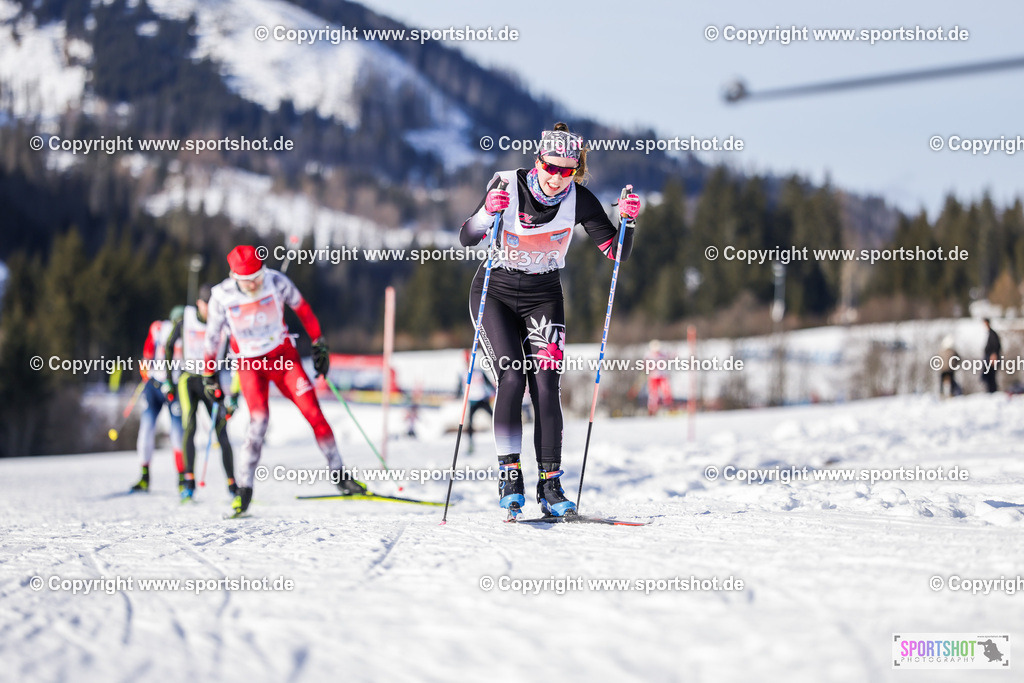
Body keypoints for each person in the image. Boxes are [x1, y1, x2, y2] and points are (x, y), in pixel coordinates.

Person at [459, 123, 639, 518]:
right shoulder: (506, 184)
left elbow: (616, 253)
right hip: (496, 293)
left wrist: (627, 222)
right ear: (537, 161)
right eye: (550, 167)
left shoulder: (581, 200)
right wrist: (488, 212)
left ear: (576, 169)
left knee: (546, 385)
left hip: (544, 296)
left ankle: (551, 485)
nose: (557, 178)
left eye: (567, 170)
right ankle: (509, 476)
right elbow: (467, 236)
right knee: (512, 376)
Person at [202, 245, 366, 516]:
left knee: (314, 412)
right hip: (249, 364)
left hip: (283, 358)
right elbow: (212, 337)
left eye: (259, 276)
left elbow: (303, 309)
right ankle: (244, 489)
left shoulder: (276, 281)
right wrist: (209, 374)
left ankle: (340, 476)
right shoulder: (221, 297)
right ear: (234, 277)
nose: (256, 283)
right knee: (259, 422)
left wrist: (319, 343)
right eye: (248, 280)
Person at [164, 284, 238, 501]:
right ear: (199, 303)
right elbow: (169, 347)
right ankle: (188, 483)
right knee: (190, 428)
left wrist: (234, 394)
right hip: (188, 380)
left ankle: (233, 485)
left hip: (212, 380)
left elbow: (236, 356)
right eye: (206, 305)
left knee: (222, 430)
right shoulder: (185, 318)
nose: (210, 309)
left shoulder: (222, 322)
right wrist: (170, 380)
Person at [130, 308, 185, 492]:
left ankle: (182, 478)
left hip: (175, 387)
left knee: (177, 433)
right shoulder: (159, 328)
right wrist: (145, 368)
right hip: (155, 385)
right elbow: (147, 352)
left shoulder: (190, 333)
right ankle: (144, 476)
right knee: (146, 429)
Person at [463, 349, 495, 453]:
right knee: (470, 424)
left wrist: (494, 391)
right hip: (472, 402)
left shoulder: (479, 372)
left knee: (494, 418)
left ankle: (501, 439)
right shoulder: (462, 374)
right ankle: (471, 444)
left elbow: (489, 384)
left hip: (483, 399)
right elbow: (458, 389)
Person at [644, 340, 674, 415]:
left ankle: (668, 406)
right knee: (653, 394)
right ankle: (652, 409)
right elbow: (644, 365)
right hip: (653, 377)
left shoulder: (663, 354)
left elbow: (671, 357)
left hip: (662, 376)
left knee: (666, 391)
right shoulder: (648, 355)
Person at [982, 318, 1001, 393]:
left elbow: (996, 346)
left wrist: (994, 355)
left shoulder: (992, 334)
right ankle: (991, 391)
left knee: (991, 375)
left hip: (991, 358)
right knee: (988, 375)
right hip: (989, 357)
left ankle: (993, 391)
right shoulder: (990, 333)